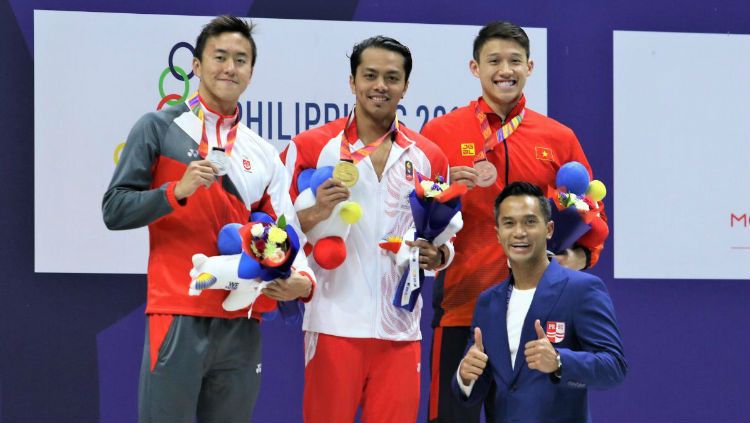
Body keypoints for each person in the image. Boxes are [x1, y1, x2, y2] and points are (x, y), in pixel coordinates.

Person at [102, 15, 315, 423]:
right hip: (179, 312)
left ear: (251, 73)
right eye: (219, 57)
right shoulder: (158, 128)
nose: (229, 68)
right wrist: (175, 191)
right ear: (197, 65)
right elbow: (114, 209)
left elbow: (286, 233)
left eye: (240, 60)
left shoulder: (264, 152)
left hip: (243, 319)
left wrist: (302, 282)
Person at [420, 21, 609, 422]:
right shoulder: (440, 133)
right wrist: (443, 191)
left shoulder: (559, 138)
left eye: (514, 61)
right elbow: (417, 210)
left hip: (538, 314)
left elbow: (591, 214)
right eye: (494, 61)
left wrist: (578, 256)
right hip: (462, 307)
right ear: (475, 68)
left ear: (530, 67)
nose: (505, 69)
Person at [281, 36, 458, 423]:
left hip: (400, 330)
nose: (380, 85)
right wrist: (314, 213)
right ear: (352, 81)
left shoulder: (430, 156)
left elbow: (444, 242)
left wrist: (439, 256)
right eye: (370, 75)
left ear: (405, 86)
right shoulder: (312, 147)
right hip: (333, 325)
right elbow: (277, 233)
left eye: (392, 77)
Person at [455, 181, 626, 423]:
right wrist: (465, 376)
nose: (519, 232)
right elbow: (475, 387)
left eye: (530, 222)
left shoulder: (582, 289)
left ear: (549, 229)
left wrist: (559, 361)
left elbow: (614, 367)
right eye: (509, 223)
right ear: (498, 234)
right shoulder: (487, 302)